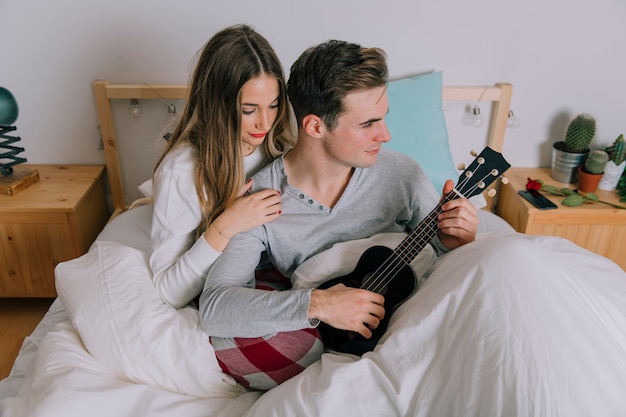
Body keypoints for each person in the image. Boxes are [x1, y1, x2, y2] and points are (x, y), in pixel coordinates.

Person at [199, 40, 478, 389]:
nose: (386, 135)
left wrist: (456, 242)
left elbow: (443, 261)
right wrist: (319, 304)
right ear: (315, 126)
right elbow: (215, 307)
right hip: (342, 345)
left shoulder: (403, 175)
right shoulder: (261, 199)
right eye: (368, 124)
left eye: (384, 119)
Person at [150, 24, 296, 308]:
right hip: (227, 296)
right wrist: (226, 225)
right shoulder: (181, 171)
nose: (265, 123)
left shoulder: (281, 146)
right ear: (218, 105)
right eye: (248, 110)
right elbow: (168, 292)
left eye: (274, 105)